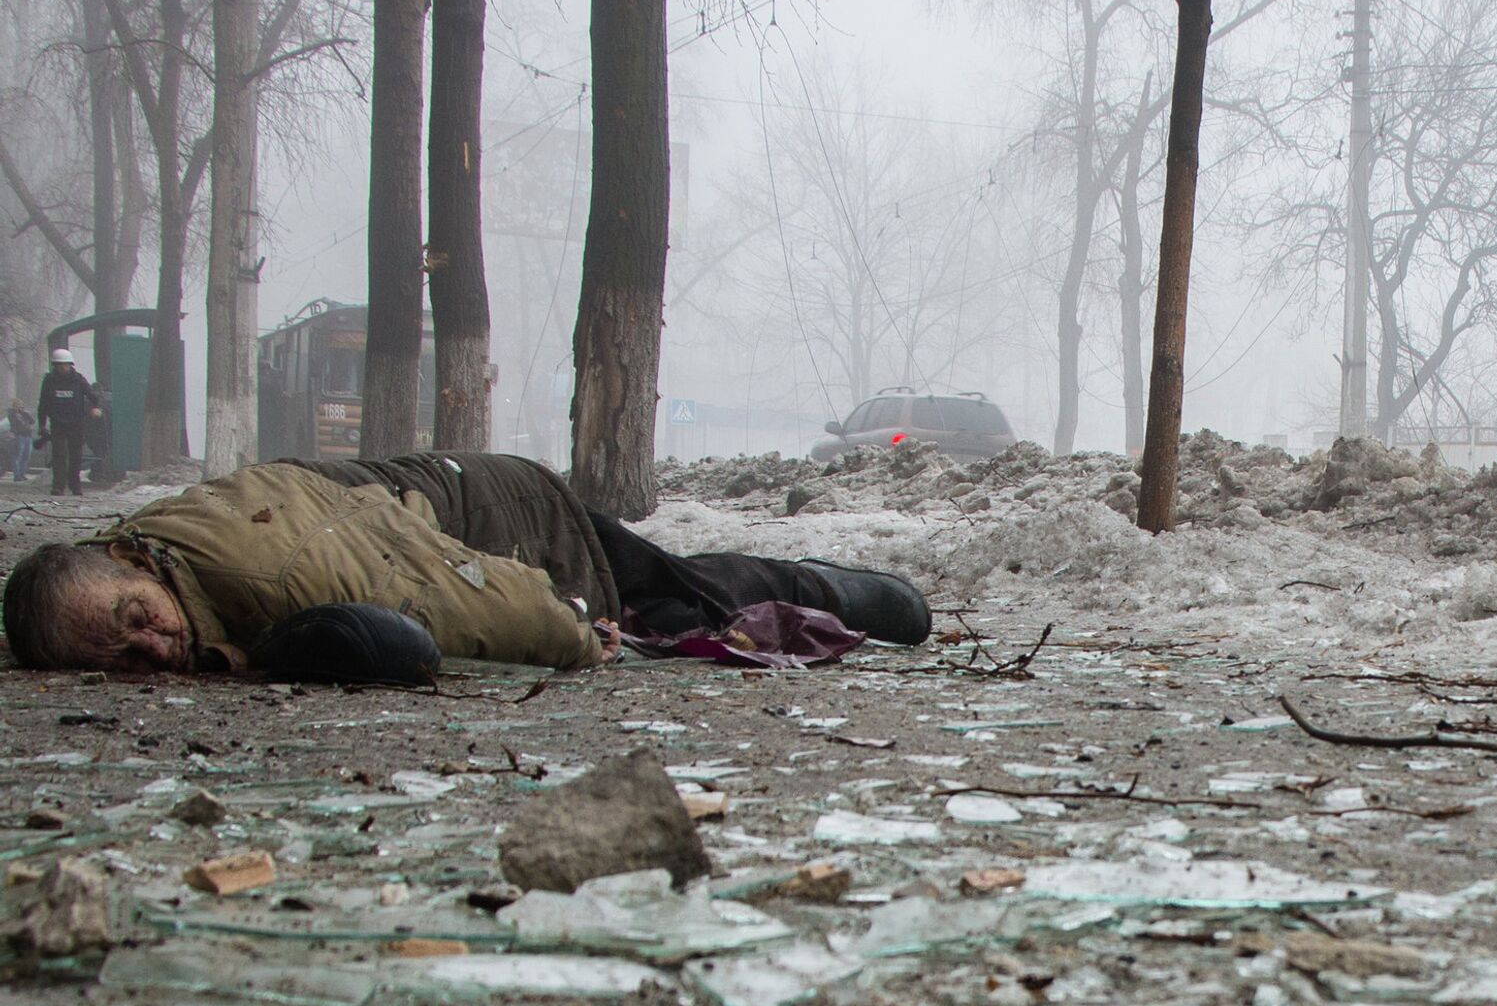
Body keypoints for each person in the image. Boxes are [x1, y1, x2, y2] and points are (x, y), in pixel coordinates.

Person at [2, 449, 929, 678]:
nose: (154, 647)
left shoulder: (266, 568)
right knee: (667, 584)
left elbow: (451, 599)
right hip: (448, 503)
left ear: (125, 566)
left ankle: (844, 591)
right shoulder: (156, 547)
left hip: (504, 524)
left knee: (685, 598)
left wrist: (572, 636)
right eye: (122, 659)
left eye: (135, 621)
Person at [37, 348, 103, 496]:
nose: (62, 367)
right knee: (58, 456)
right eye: (59, 365)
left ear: (70, 364)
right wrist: (42, 424)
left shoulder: (78, 380)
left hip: (76, 422)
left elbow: (92, 395)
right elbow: (43, 403)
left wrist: (96, 407)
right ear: (54, 366)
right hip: (57, 423)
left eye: (65, 364)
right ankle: (58, 486)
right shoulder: (49, 381)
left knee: (75, 456)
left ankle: (75, 486)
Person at [6, 399, 33, 482]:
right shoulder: (12, 414)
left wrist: (26, 413)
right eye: (18, 404)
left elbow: (32, 421)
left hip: (28, 436)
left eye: (21, 404)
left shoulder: (24, 414)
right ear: (14, 406)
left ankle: (22, 474)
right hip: (19, 436)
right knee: (17, 455)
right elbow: (15, 423)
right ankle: (17, 475)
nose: (20, 406)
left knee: (26, 456)